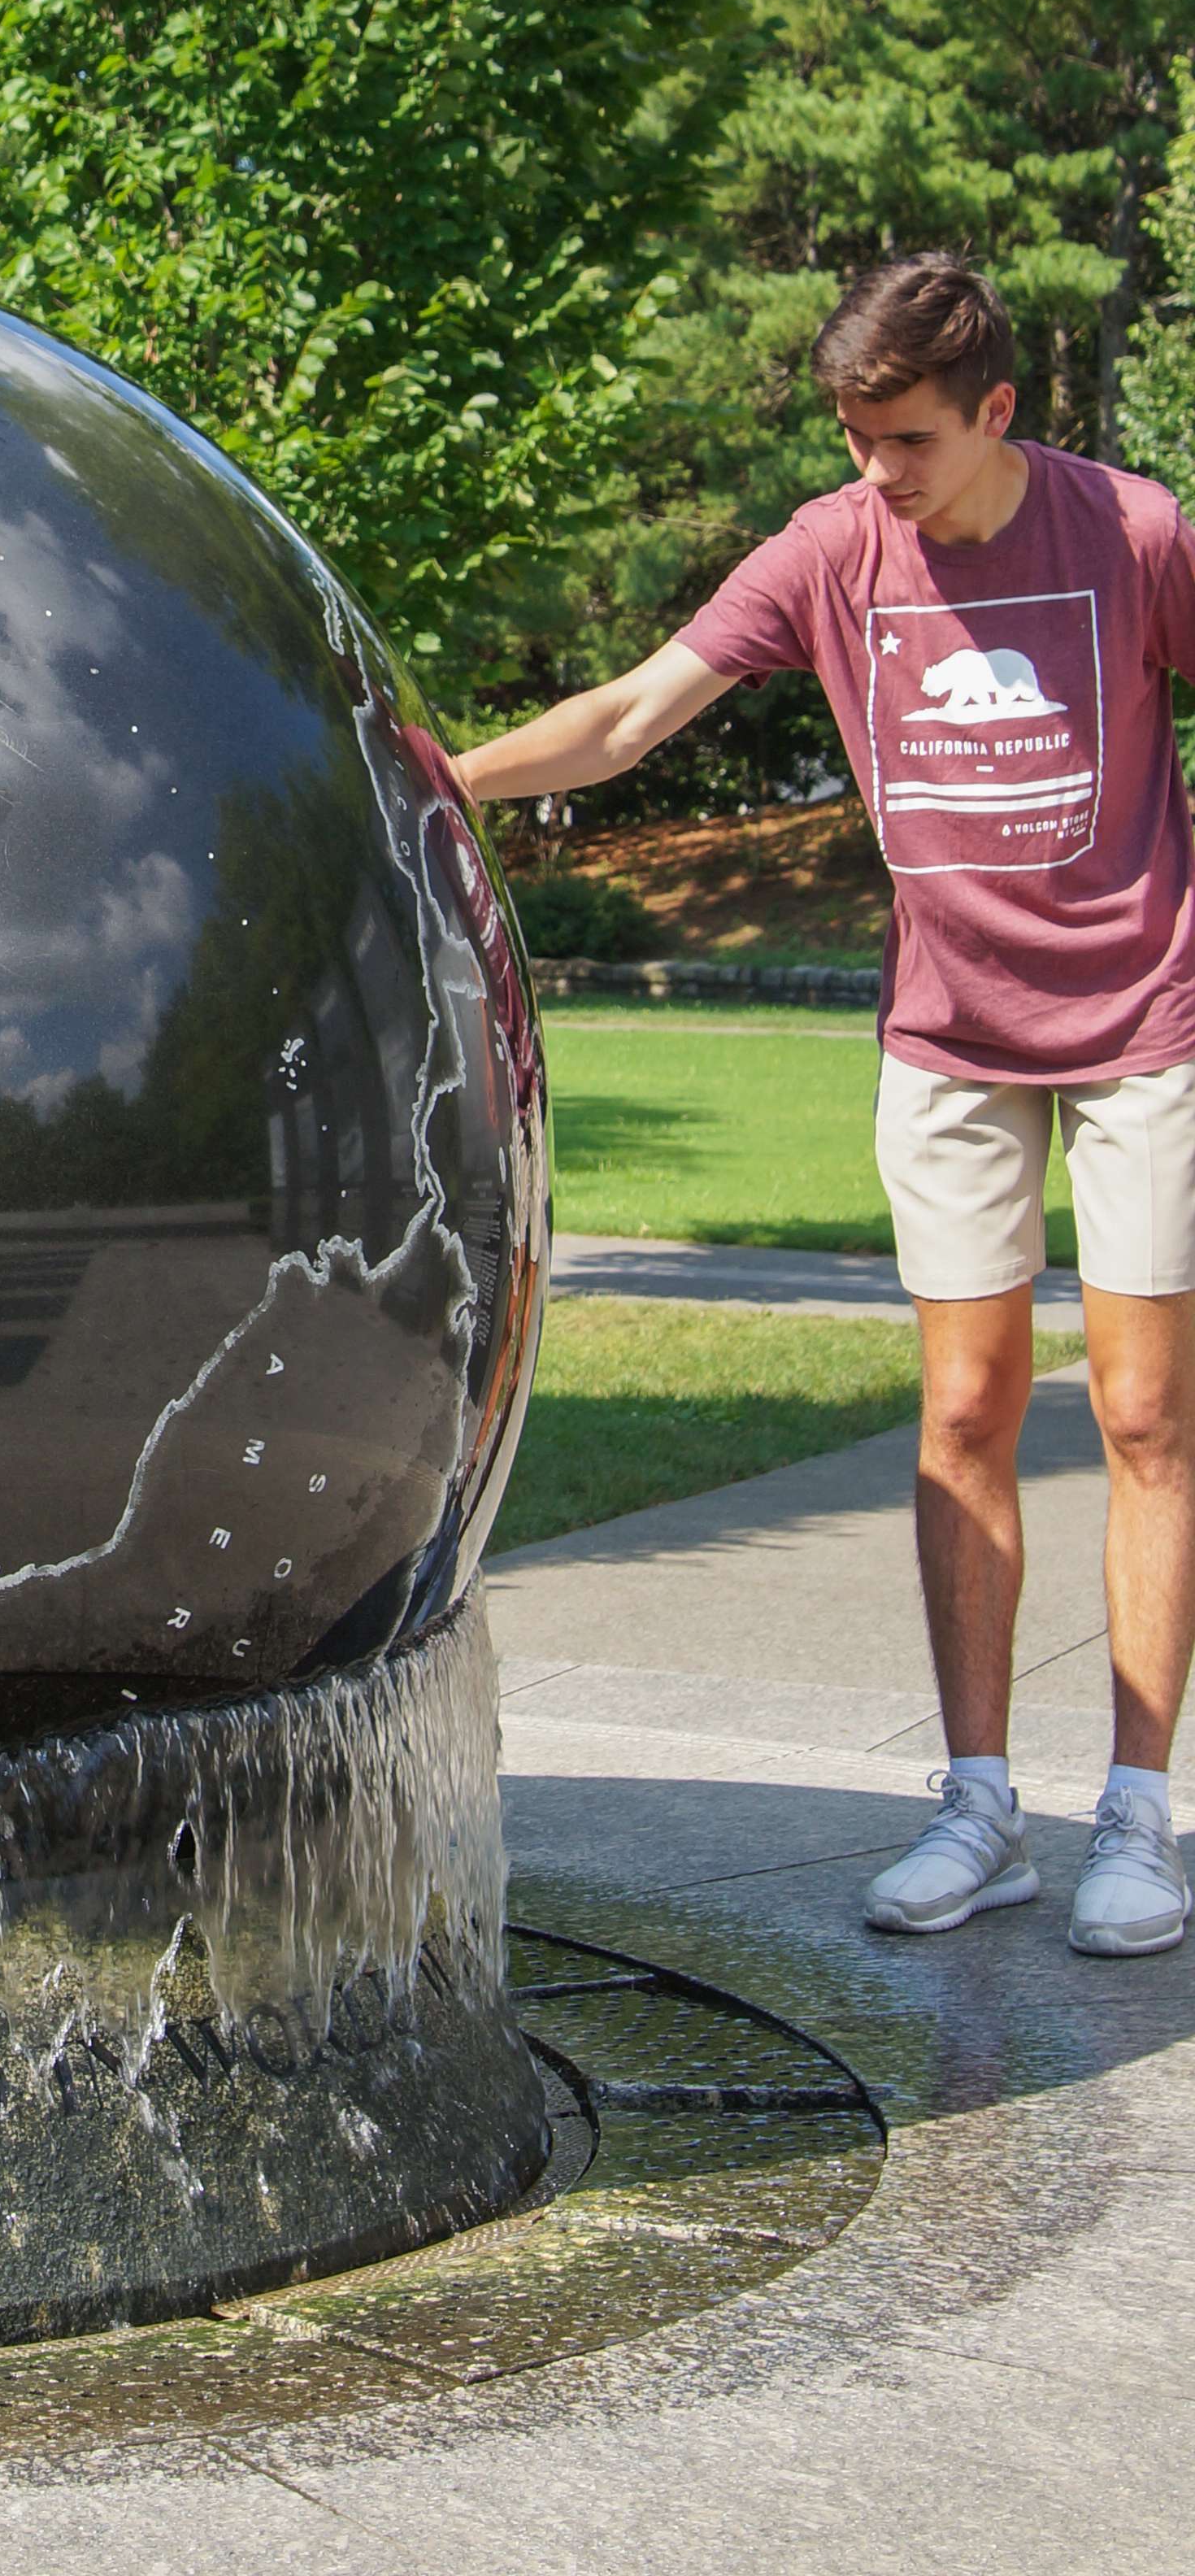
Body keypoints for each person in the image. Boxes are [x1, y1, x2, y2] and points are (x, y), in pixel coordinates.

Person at [457, 252, 1195, 1956]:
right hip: (947, 1032)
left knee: (1150, 1414)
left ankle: (1142, 1818)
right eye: (859, 439)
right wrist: (438, 773)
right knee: (961, 1414)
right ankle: (983, 1804)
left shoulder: (1135, 534)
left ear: (1000, 410)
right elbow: (636, 714)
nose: (881, 473)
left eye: (912, 440)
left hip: (1143, 1016)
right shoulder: (828, 551)